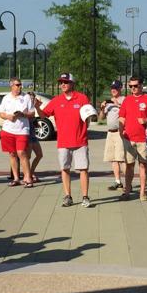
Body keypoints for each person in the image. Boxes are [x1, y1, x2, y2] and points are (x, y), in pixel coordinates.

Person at [40, 73, 92, 208]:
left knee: (83, 169)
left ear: (72, 84)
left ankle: (85, 197)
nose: (63, 84)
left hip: (80, 141)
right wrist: (36, 107)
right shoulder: (56, 100)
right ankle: (68, 196)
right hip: (63, 142)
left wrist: (85, 127)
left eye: (66, 82)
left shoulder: (82, 98)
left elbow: (89, 117)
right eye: (61, 82)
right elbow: (43, 115)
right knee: (65, 169)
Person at [119, 75, 147, 201]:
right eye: (130, 86)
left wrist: (146, 120)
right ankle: (127, 191)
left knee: (143, 166)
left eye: (135, 86)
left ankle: (142, 193)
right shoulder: (127, 100)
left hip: (144, 139)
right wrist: (120, 130)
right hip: (129, 138)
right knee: (129, 165)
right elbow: (122, 117)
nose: (133, 88)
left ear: (141, 85)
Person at [0, 78, 35, 187]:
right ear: (11, 86)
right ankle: (16, 178)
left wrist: (23, 114)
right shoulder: (6, 98)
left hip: (22, 130)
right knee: (12, 154)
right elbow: (1, 113)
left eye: (20, 85)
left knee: (22, 153)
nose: (20, 87)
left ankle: (28, 178)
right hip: (8, 130)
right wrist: (8, 116)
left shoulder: (26, 97)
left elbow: (32, 113)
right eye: (17, 85)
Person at [101, 81, 127, 191]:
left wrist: (117, 104)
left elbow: (128, 113)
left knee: (121, 158)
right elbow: (101, 118)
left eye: (115, 88)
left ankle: (128, 182)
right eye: (112, 88)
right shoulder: (108, 102)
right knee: (113, 159)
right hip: (110, 133)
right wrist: (102, 108)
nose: (113, 90)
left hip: (120, 132)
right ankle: (117, 181)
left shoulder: (124, 100)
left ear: (120, 88)